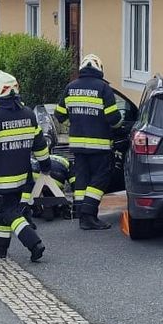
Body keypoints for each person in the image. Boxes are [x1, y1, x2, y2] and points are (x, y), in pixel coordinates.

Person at [0, 71, 50, 261]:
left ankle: (34, 243)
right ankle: (0, 248)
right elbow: (40, 145)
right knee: (4, 212)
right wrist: (45, 165)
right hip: (23, 176)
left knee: (9, 212)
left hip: (3, 177)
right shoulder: (29, 114)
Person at [54, 53, 121, 230]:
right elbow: (114, 118)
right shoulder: (103, 88)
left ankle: (81, 215)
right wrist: (120, 125)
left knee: (82, 179)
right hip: (99, 145)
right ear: (100, 69)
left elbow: (59, 115)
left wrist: (76, 120)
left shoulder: (70, 87)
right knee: (100, 179)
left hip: (77, 145)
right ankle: (89, 214)